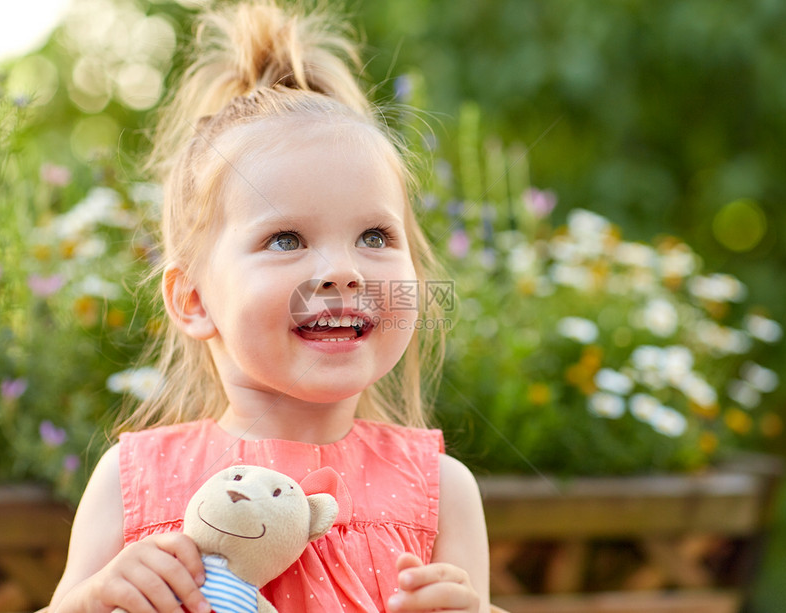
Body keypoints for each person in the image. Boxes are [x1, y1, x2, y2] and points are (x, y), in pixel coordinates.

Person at [47, 1, 490, 612]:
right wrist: (94, 601)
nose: (342, 271)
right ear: (193, 299)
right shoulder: (133, 480)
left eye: (375, 237)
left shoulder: (442, 490)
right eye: (286, 240)